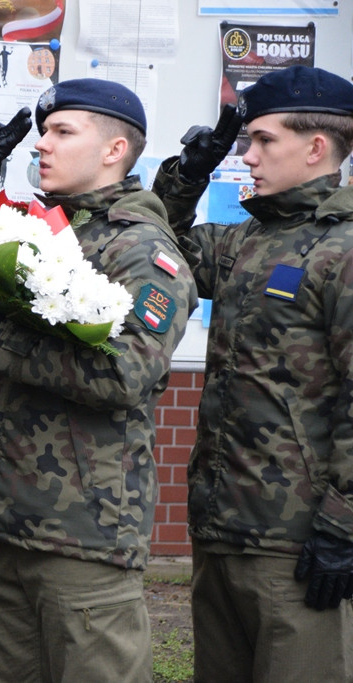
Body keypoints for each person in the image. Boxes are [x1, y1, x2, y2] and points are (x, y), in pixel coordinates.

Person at [0, 80, 198, 681]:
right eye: (43, 132)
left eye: (62, 132)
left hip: (85, 531)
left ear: (114, 149)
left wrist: (4, 340)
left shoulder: (144, 250)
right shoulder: (42, 225)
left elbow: (125, 371)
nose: (42, 145)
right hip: (7, 516)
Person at [152, 64, 353, 681]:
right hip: (223, 526)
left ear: (316, 147)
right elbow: (152, 243)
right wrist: (189, 171)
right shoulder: (246, 240)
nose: (248, 156)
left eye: (264, 140)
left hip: (299, 540)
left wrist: (344, 525)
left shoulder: (342, 249)